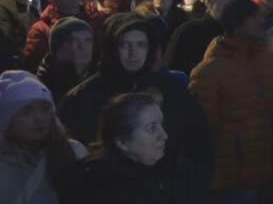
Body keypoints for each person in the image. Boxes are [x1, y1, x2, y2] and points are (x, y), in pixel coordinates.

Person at [58, 13, 213, 190]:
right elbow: (75, 153)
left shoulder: (172, 90)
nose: (133, 53)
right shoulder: (83, 96)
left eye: (141, 45)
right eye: (124, 45)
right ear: (110, 48)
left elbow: (199, 142)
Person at [189, 0, 273, 203]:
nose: (261, 21)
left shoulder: (269, 61)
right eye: (254, 17)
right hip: (237, 178)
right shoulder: (209, 72)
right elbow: (204, 130)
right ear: (237, 22)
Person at [55, 92, 206, 204]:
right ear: (122, 142)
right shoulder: (95, 187)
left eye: (161, 124)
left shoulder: (179, 175)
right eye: (151, 128)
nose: (164, 135)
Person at [0, 71, 87, 204]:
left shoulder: (75, 152)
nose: (39, 118)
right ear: (7, 121)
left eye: (45, 108)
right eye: (27, 112)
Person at [164, 0, 241, 75]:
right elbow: (173, 68)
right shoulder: (190, 31)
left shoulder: (240, 33)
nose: (229, 5)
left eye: (234, 1)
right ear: (209, 3)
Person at [35, 18, 95, 105]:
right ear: (56, 47)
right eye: (72, 41)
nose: (82, 47)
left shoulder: (101, 82)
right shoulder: (41, 89)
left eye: (88, 40)